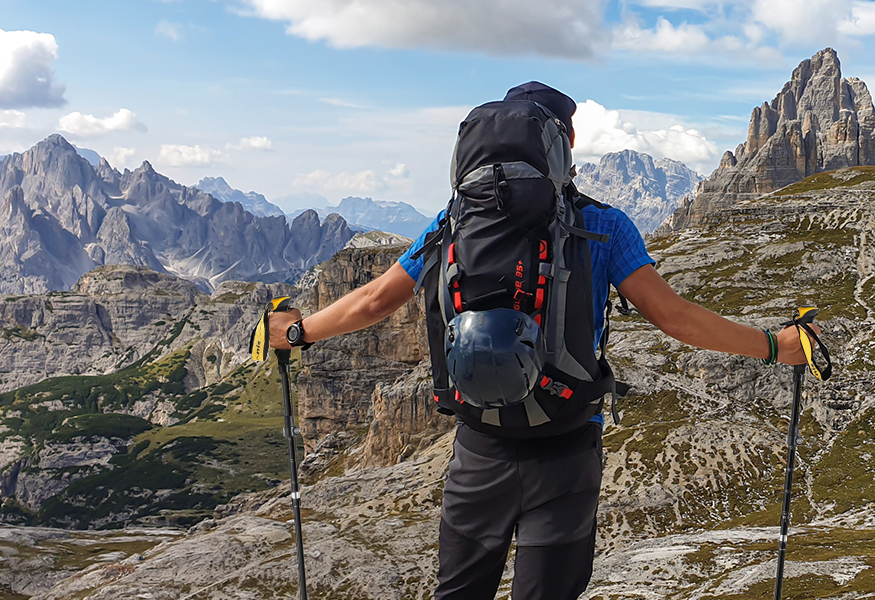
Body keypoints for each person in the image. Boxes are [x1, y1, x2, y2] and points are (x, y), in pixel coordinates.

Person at [268, 81, 815, 600]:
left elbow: (374, 301)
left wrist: (297, 330)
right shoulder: (605, 225)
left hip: (478, 447)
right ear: (565, 142)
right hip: (567, 447)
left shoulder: (453, 221)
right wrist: (774, 345)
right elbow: (673, 317)